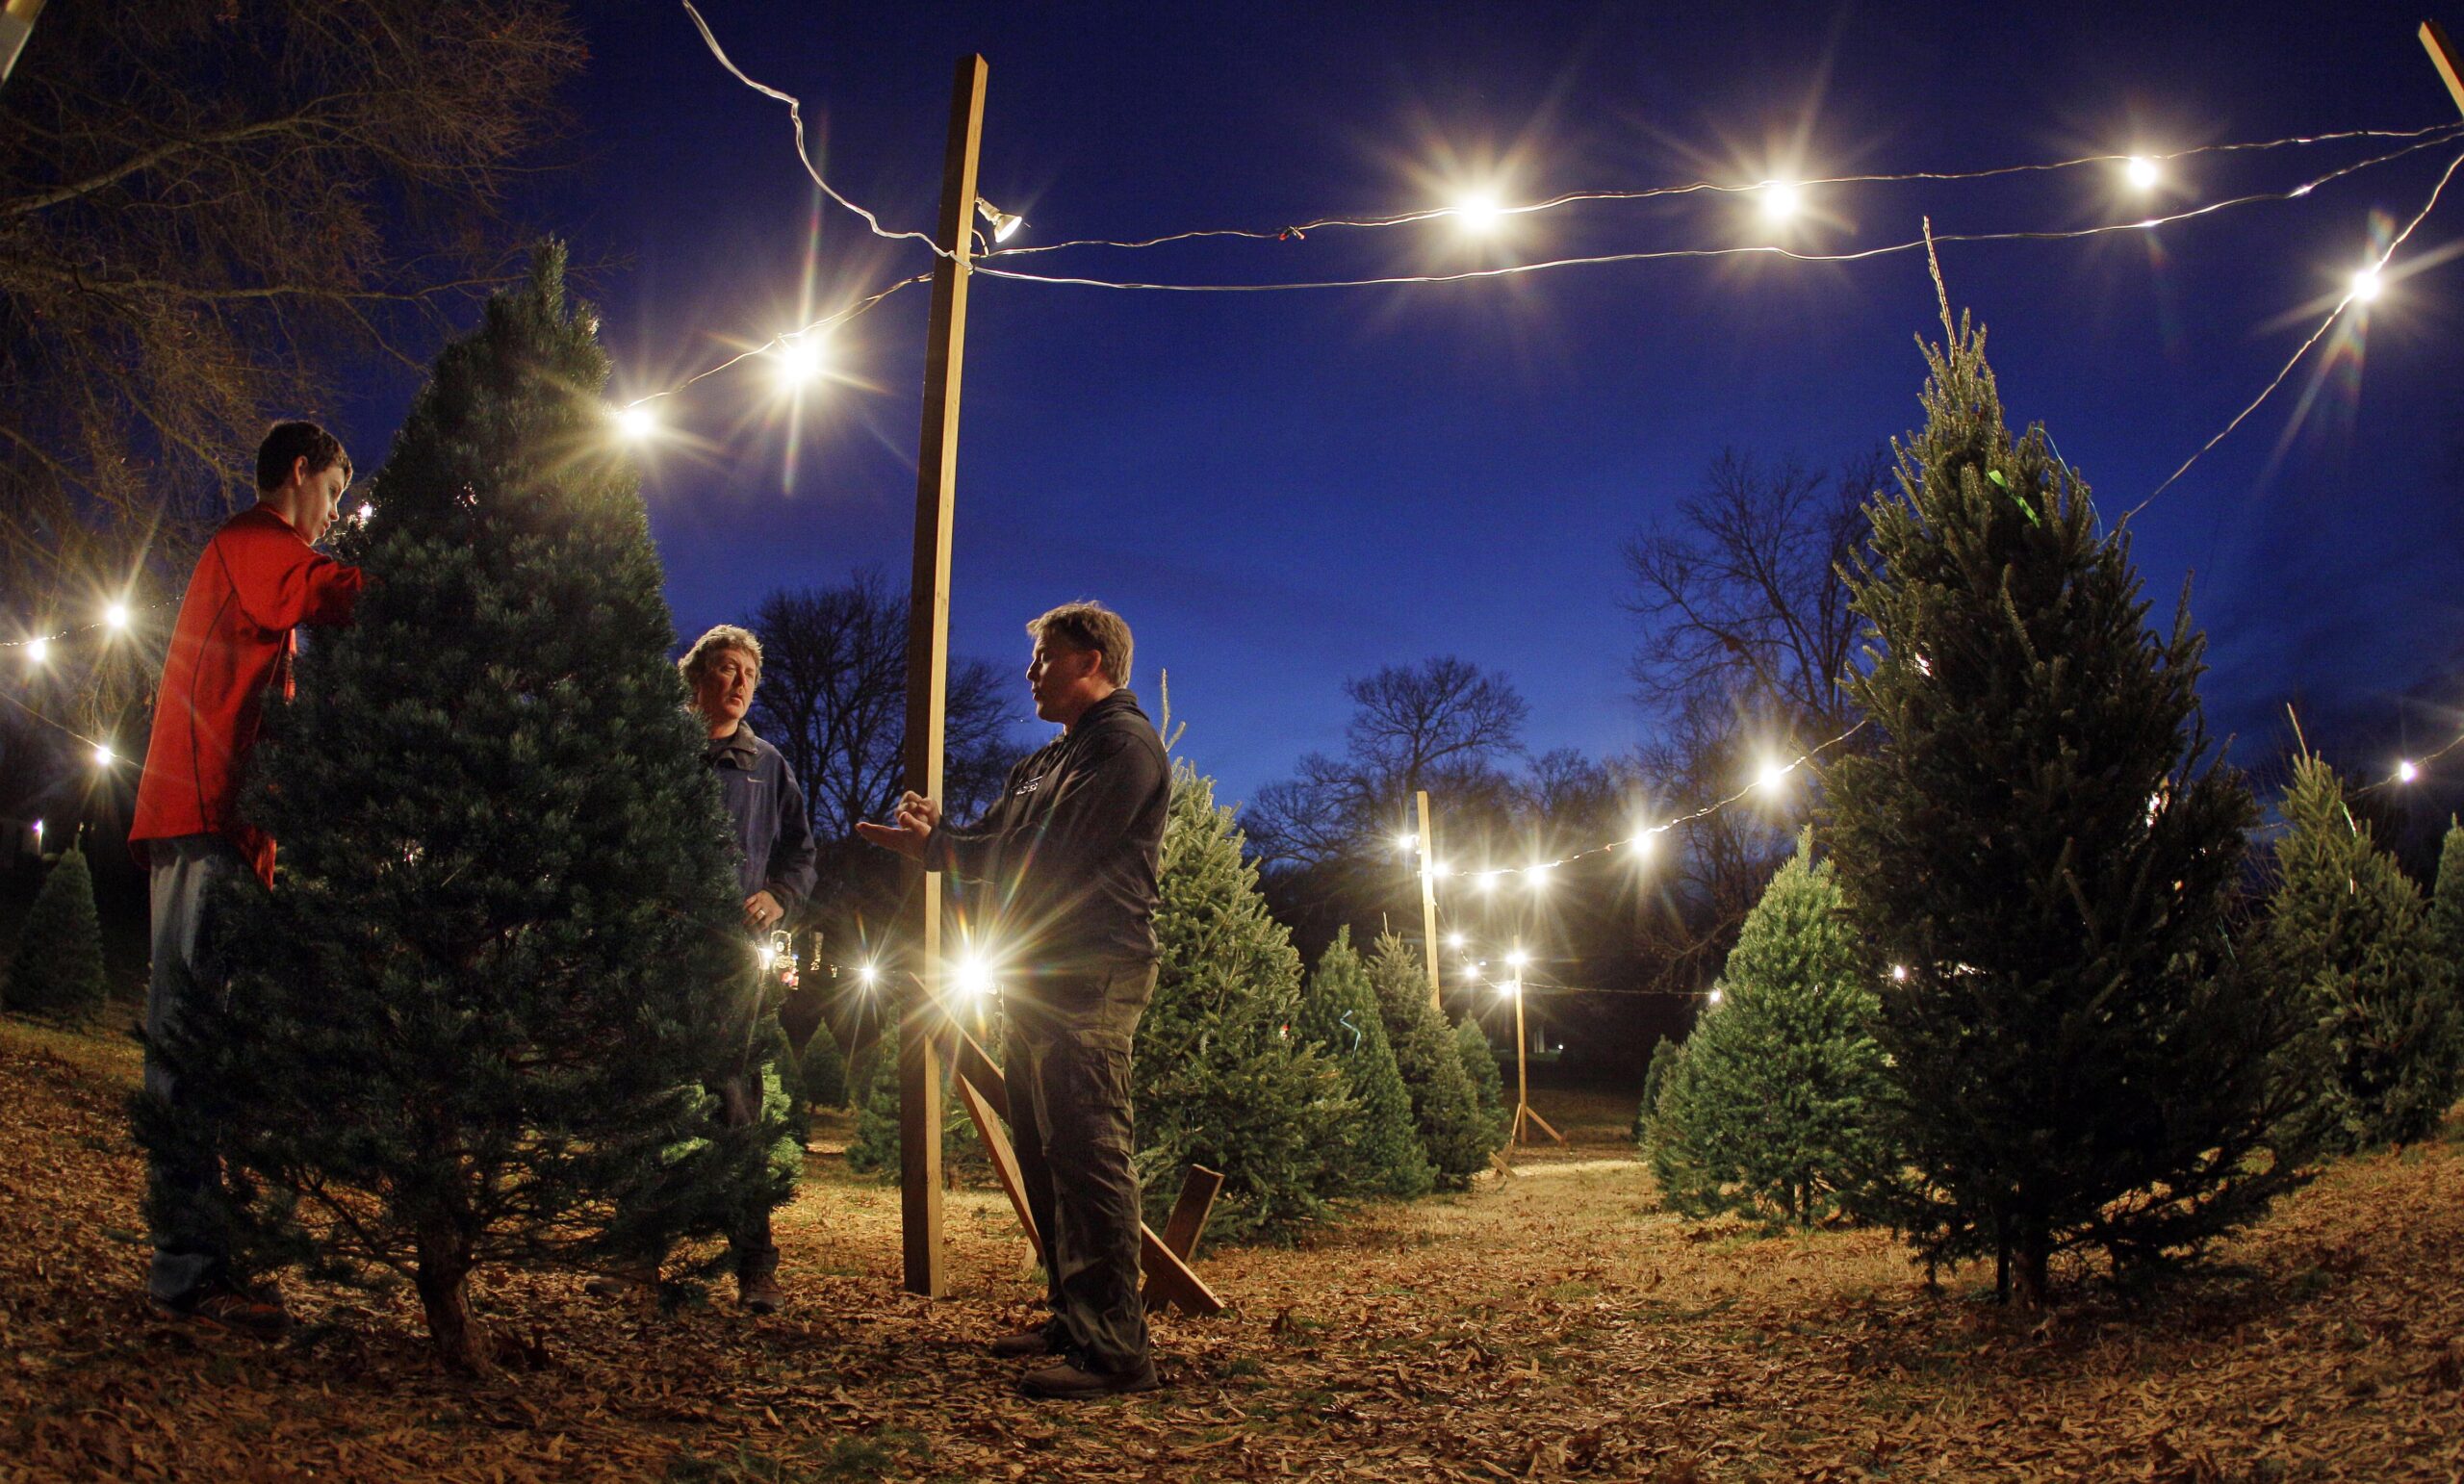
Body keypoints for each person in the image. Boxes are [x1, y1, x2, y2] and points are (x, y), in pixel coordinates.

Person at [858, 600, 1169, 1399]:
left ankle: (1117, 1353)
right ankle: (1072, 1318)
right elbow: (992, 841)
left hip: (1093, 973)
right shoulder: (1045, 762)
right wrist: (937, 841)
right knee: (1044, 1152)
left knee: (1089, 1153)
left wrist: (946, 849)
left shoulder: (1125, 748)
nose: (1029, 672)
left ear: (1090, 661)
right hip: (1035, 974)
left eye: (1044, 657)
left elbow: (1051, 854)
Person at [128, 421, 367, 1334]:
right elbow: (326, 591)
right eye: (334, 494)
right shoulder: (254, 540)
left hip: (225, 826)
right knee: (188, 1044)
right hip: (204, 818)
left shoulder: (254, 554)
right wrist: (426, 576)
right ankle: (186, 1271)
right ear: (298, 472)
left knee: (209, 1046)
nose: (335, 516)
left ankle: (207, 1257)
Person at [589, 624, 816, 1313]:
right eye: (726, 668)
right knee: (647, 1107)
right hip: (657, 961)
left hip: (728, 969)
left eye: (750, 673)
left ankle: (756, 1269)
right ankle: (635, 1261)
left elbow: (801, 853)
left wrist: (779, 896)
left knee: (736, 1111)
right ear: (696, 678)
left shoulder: (767, 766)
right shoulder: (653, 754)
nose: (740, 682)